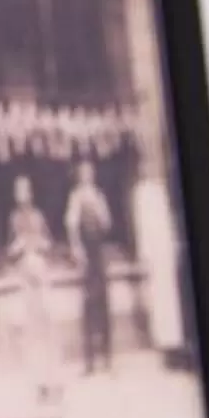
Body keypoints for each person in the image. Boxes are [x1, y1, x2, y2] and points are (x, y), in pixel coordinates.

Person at [4, 176, 63, 406]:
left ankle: (55, 381)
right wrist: (17, 248)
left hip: (42, 276)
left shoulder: (38, 217)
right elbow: (9, 252)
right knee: (33, 334)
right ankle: (40, 386)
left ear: (31, 193)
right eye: (18, 191)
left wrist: (40, 244)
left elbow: (50, 244)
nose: (22, 196)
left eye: (25, 190)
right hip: (25, 280)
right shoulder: (13, 219)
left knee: (50, 331)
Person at [66, 159, 117, 375]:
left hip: (98, 253)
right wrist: (76, 249)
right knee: (88, 304)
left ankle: (107, 357)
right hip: (86, 254)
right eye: (84, 173)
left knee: (104, 303)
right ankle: (90, 361)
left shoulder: (98, 196)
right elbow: (71, 225)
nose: (87, 176)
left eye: (90, 173)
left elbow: (107, 224)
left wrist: (99, 209)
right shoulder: (76, 197)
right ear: (79, 175)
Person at [132, 164, 186, 364]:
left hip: (166, 252)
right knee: (160, 300)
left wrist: (173, 245)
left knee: (172, 301)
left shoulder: (161, 188)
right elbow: (141, 227)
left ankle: (176, 345)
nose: (152, 170)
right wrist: (144, 255)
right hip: (154, 255)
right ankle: (166, 347)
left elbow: (168, 223)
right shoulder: (142, 192)